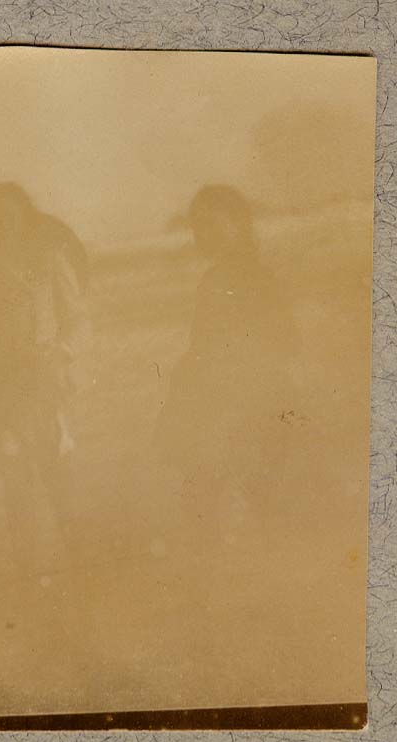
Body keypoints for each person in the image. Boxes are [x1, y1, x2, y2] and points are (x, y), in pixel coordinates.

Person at [154, 185, 302, 545]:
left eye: (211, 224)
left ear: (237, 223)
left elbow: (284, 341)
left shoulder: (256, 277)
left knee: (239, 498)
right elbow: (202, 345)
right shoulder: (215, 279)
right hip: (219, 397)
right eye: (197, 226)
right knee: (214, 498)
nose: (202, 234)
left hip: (251, 399)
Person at [0, 182, 90, 579]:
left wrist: (60, 354)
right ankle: (30, 576)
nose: (2, 223)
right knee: (16, 484)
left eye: (10, 215)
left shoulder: (48, 261)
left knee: (59, 477)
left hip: (44, 385)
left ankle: (84, 567)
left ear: (24, 217)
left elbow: (77, 320)